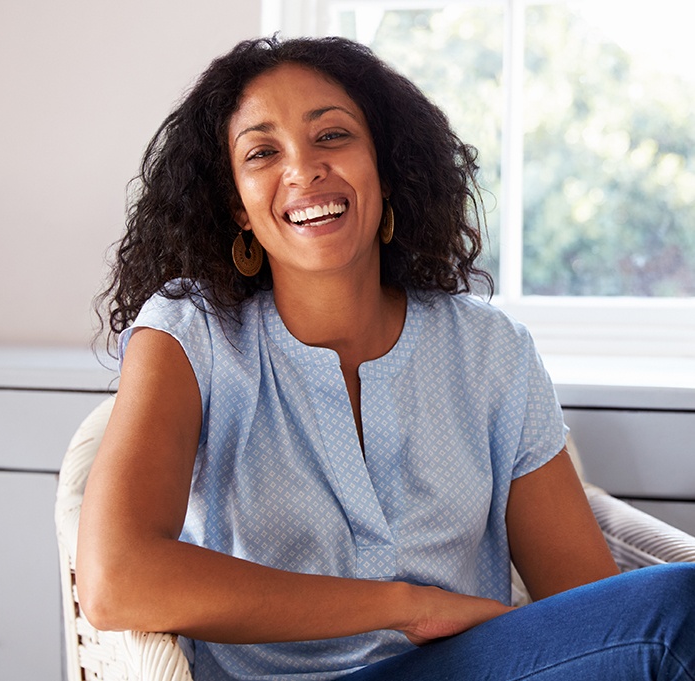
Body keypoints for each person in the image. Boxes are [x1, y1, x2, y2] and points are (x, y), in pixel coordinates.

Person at [77, 35, 695, 680]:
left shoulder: (489, 352)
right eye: (263, 151)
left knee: (677, 608)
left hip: (474, 670)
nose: (303, 169)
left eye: (333, 137)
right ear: (237, 204)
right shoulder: (189, 334)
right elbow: (116, 579)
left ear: (387, 165)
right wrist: (405, 607)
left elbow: (593, 613)